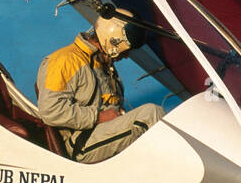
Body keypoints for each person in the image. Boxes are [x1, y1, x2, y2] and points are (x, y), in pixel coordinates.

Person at [37, 10, 163, 163]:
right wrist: (98, 117)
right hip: (81, 143)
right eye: (127, 51)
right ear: (113, 41)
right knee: (150, 114)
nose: (127, 56)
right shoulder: (64, 60)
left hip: (102, 137)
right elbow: (50, 110)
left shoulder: (103, 64)